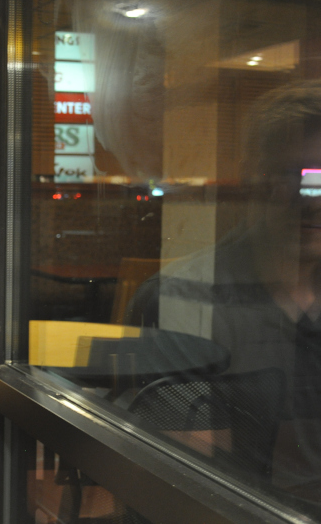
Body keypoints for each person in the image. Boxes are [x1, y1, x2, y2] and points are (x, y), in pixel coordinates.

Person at [125, 80, 321, 510]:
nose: (312, 200)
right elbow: (187, 486)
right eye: (295, 177)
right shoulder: (185, 298)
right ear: (254, 179)